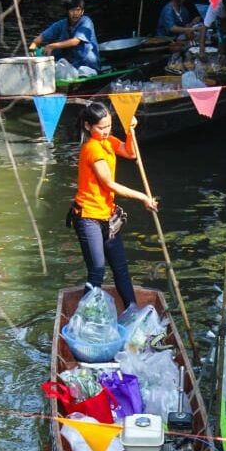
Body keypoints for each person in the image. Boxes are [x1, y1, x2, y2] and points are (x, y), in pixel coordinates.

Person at [68, 102, 158, 309]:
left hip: (108, 215)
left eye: (109, 126)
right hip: (88, 216)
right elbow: (109, 183)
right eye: (101, 127)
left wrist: (129, 130)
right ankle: (85, 316)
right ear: (88, 126)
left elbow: (130, 153)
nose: (106, 131)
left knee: (121, 268)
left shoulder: (107, 141)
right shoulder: (91, 148)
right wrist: (143, 196)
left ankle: (133, 310)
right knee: (97, 269)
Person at [29, 0, 100, 71]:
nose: (75, 13)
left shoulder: (86, 21)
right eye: (72, 10)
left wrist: (52, 46)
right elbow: (41, 37)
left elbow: (75, 41)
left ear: (82, 11)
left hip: (88, 64)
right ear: (68, 11)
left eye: (78, 10)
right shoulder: (61, 24)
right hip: (72, 64)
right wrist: (33, 46)